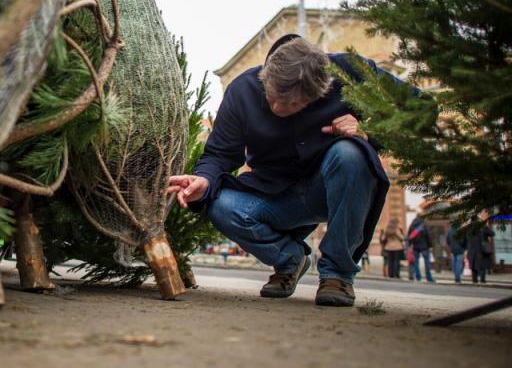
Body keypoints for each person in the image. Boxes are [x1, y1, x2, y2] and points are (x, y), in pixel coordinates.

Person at [166, 35, 397, 307]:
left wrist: (369, 131)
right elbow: (220, 154)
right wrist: (203, 180)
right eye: (273, 97)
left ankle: (337, 275)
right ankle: (290, 259)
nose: (278, 108)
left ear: (320, 91)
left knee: (350, 152)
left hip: (332, 187)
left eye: (292, 105)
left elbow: (421, 108)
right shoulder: (243, 90)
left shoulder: (349, 73)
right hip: (274, 195)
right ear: (265, 77)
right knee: (220, 204)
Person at [466, 217, 495, 284]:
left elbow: (464, 240)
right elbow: (492, 233)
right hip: (481, 250)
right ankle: (482, 280)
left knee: (473, 266)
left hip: (471, 250)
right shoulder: (483, 227)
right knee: (482, 266)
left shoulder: (468, 228)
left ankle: (474, 280)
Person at [407, 216, 434, 282]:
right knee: (427, 263)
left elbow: (409, 236)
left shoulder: (412, 225)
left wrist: (410, 245)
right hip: (424, 246)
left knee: (416, 263)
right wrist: (430, 246)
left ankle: (418, 277)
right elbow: (428, 236)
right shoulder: (423, 225)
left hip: (415, 247)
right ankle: (429, 278)